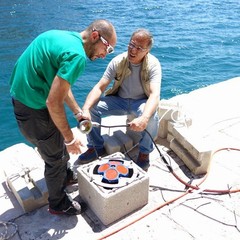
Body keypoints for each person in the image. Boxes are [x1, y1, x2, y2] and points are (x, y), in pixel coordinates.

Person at [9, 19, 117, 215]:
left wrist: (77, 113)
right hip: (34, 109)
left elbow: (58, 85)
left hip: (25, 99)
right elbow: (53, 102)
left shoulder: (61, 37)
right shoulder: (77, 56)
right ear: (95, 36)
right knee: (55, 158)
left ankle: (65, 176)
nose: (104, 55)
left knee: (56, 146)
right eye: (107, 49)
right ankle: (58, 204)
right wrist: (70, 139)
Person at [76, 28, 161, 171]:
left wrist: (144, 117)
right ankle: (96, 146)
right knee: (92, 107)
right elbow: (99, 87)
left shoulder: (153, 64)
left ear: (147, 51)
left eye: (139, 48)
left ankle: (144, 152)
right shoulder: (118, 61)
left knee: (152, 115)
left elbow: (154, 95)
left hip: (140, 102)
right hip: (119, 101)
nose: (133, 50)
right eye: (131, 44)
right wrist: (84, 109)